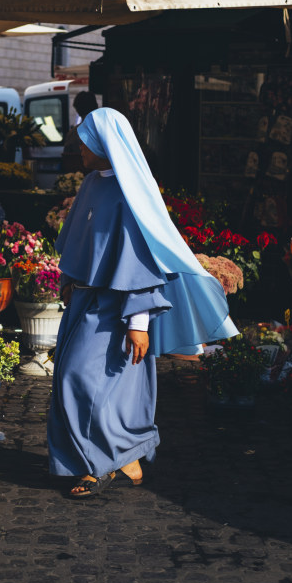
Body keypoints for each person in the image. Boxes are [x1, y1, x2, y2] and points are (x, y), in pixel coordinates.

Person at [47, 107, 238, 498]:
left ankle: (99, 465)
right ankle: (126, 457)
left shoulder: (128, 194)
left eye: (85, 140)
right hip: (84, 303)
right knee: (92, 383)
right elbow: (75, 239)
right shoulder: (90, 185)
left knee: (80, 379)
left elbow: (138, 263)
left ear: (103, 143)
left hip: (115, 310)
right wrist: (68, 280)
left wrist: (138, 323)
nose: (78, 147)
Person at [61, 90, 98, 173]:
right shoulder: (103, 131)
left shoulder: (72, 134)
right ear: (96, 106)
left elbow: (67, 160)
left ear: (77, 110)